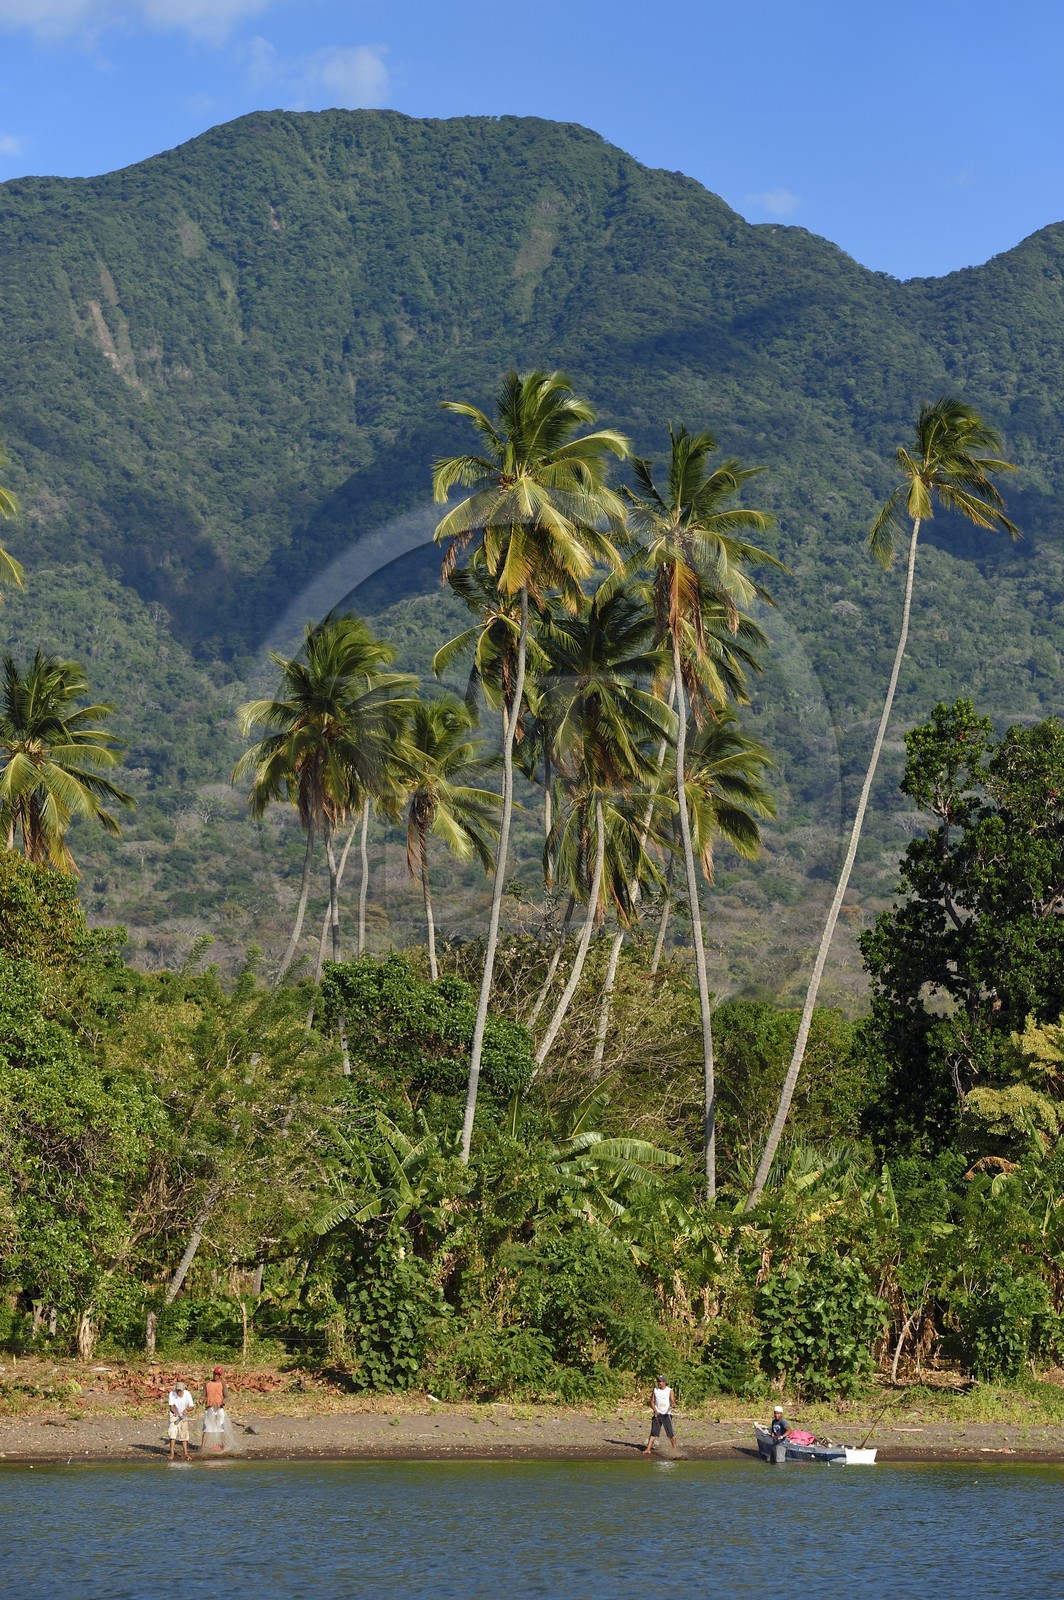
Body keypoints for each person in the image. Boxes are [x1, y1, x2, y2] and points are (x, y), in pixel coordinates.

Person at [200, 1366, 234, 1454]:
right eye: (215, 1374)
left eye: (218, 1374)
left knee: (220, 1428)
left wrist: (222, 1403)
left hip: (219, 1409)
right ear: (213, 1373)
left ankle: (223, 1445)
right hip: (209, 1408)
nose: (216, 1376)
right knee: (206, 1428)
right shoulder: (207, 1383)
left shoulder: (222, 1384)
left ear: (220, 1375)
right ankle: (202, 1447)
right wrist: (201, 1399)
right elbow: (203, 1395)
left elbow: (226, 1397)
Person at [642, 1375, 676, 1456]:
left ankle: (674, 1450)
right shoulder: (655, 1390)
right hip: (657, 1414)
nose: (659, 1383)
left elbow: (672, 1400)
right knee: (653, 1433)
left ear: (664, 1382)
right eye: (658, 1381)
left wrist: (673, 1404)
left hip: (666, 1414)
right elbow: (652, 1401)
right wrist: (655, 1410)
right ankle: (648, 1449)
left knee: (671, 1434)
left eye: (660, 1381)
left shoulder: (670, 1390)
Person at [167, 1379, 195, 1462]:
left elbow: (191, 1406)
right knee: (172, 1433)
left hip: (183, 1415)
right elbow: (171, 1407)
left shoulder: (187, 1394)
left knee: (184, 1434)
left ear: (183, 1389)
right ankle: (172, 1453)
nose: (179, 1392)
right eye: (177, 1390)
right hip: (174, 1415)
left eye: (180, 1390)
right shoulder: (172, 1394)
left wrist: (187, 1410)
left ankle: (185, 1453)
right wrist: (175, 1412)